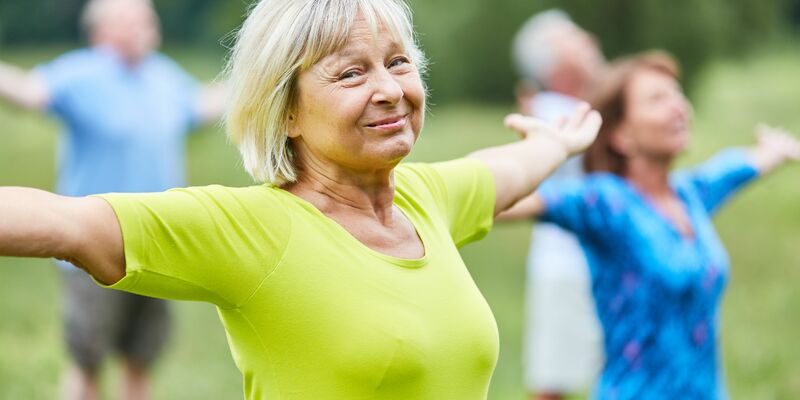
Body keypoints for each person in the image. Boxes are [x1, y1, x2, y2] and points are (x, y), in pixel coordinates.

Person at [0, 0, 603, 398]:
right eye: (351, 74)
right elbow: (65, 223)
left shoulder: (428, 199)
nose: (390, 90)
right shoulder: (254, 230)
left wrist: (553, 145)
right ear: (285, 111)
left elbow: (501, 169)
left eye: (398, 62)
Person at [498, 52, 800, 399]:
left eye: (677, 94)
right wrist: (537, 153)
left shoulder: (689, 194)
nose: (679, 107)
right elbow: (510, 200)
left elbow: (733, 167)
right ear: (621, 135)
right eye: (658, 99)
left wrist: (770, 152)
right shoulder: (607, 203)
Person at [0, 0, 227, 399]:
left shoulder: (164, 76)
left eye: (145, 17)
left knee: (141, 359)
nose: (142, 25)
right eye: (128, 18)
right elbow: (28, 92)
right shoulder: (80, 73)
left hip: (157, 242)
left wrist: (273, 70)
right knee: (87, 361)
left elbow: (206, 106)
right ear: (100, 31)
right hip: (91, 241)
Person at [510, 10, 605, 400]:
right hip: (566, 266)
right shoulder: (551, 111)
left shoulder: (571, 104)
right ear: (553, 65)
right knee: (553, 381)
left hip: (593, 259)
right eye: (572, 39)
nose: (586, 40)